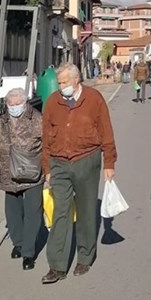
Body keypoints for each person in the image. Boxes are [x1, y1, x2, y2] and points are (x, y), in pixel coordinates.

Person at [41, 63, 118, 284]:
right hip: (59, 162)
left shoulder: (94, 99)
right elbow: (46, 138)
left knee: (86, 211)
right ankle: (57, 265)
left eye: (64, 82)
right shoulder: (52, 102)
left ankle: (85, 256)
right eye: (59, 82)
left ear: (76, 79)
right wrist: (47, 168)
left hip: (86, 159)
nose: (61, 86)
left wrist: (109, 163)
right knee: (60, 213)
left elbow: (106, 132)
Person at [0, 88, 43, 271]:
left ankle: (28, 252)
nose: (14, 107)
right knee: (13, 213)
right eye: (11, 104)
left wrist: (49, 170)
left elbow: (48, 144)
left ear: (25, 103)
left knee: (33, 213)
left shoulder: (37, 119)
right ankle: (18, 242)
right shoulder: (1, 122)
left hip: (32, 173)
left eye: (17, 104)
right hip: (8, 173)